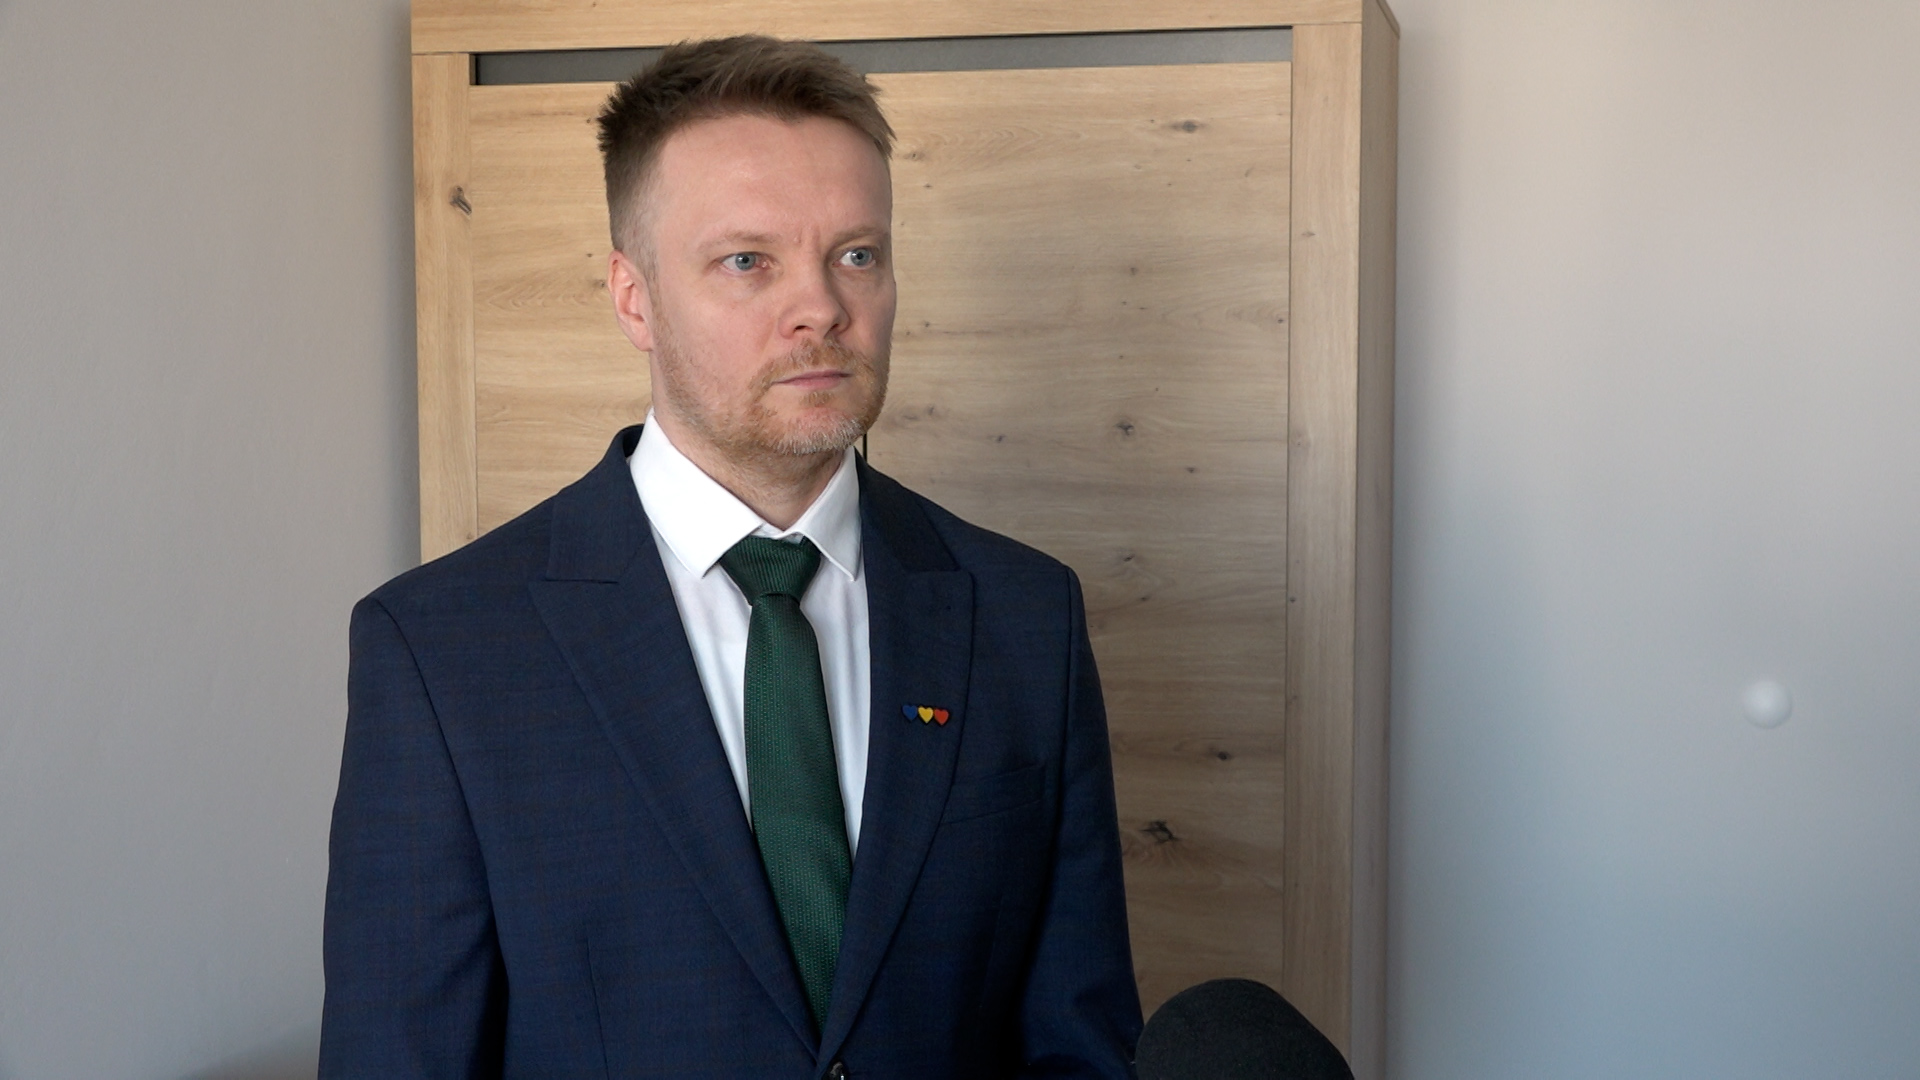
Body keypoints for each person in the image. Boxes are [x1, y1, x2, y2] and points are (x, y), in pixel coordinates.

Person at [319, 35, 1140, 1079]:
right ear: (634, 299)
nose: (823, 307)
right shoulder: (441, 651)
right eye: (748, 261)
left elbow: (1080, 1046)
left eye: (857, 254)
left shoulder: (1025, 615)